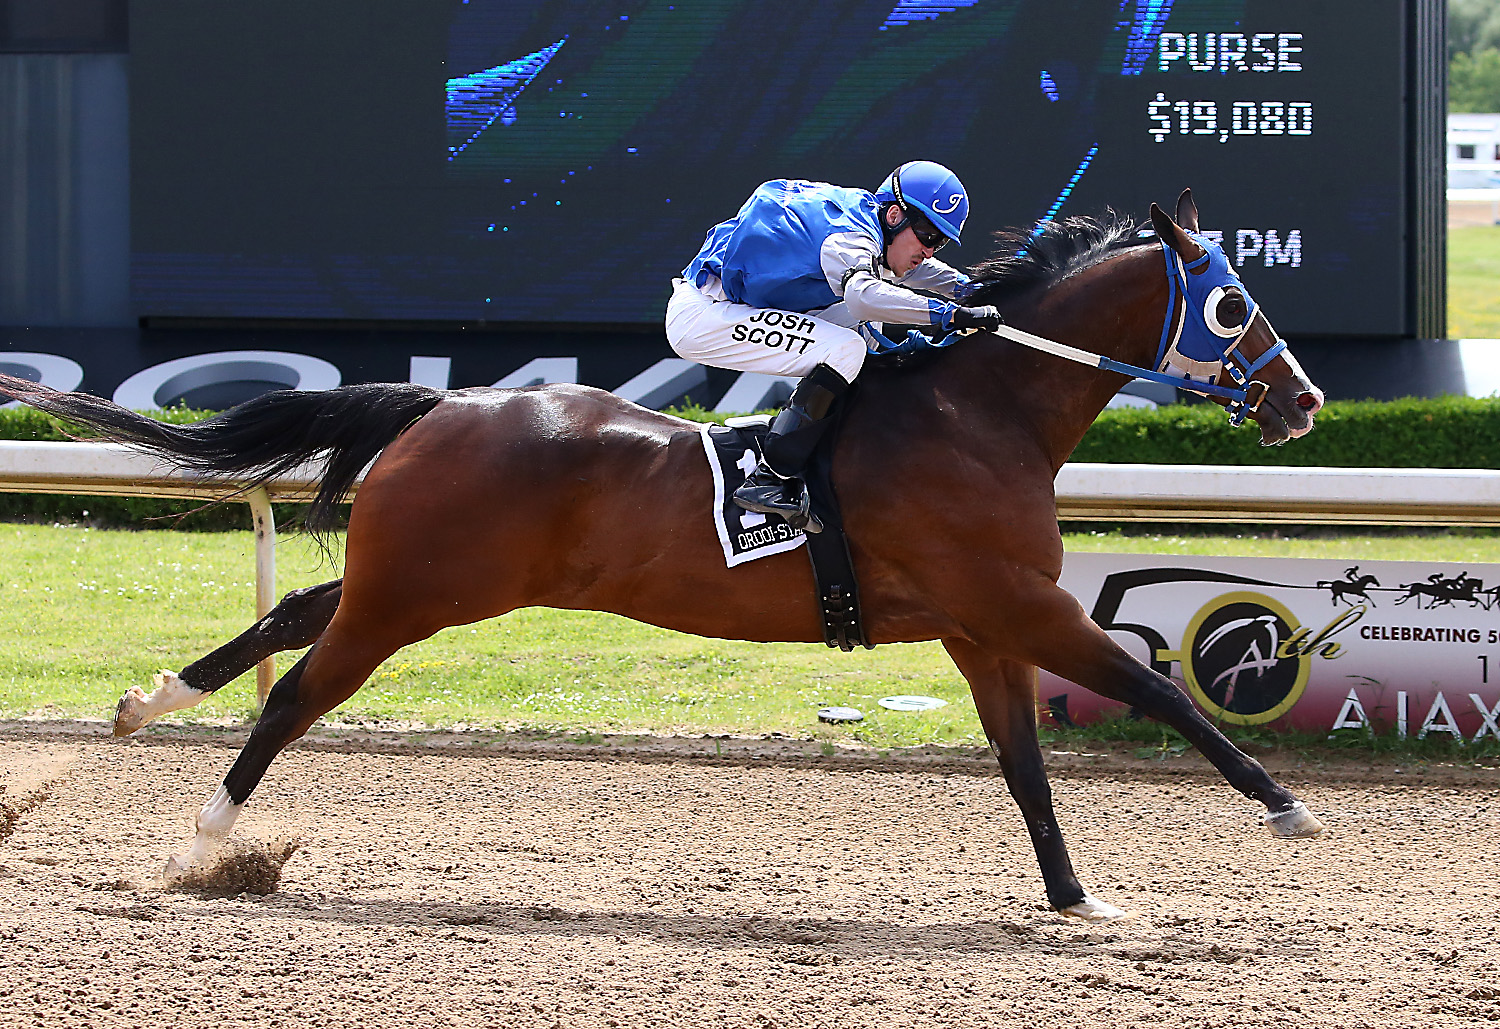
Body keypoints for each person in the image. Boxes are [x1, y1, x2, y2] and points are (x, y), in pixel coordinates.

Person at [666, 160, 1001, 533]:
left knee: (872, 344)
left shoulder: (870, 225)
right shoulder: (849, 237)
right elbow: (862, 296)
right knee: (847, 348)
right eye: (927, 235)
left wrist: (971, 289)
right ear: (894, 215)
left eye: (939, 242)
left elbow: (910, 270)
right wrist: (949, 315)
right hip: (705, 316)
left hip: (740, 305)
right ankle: (771, 477)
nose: (930, 250)